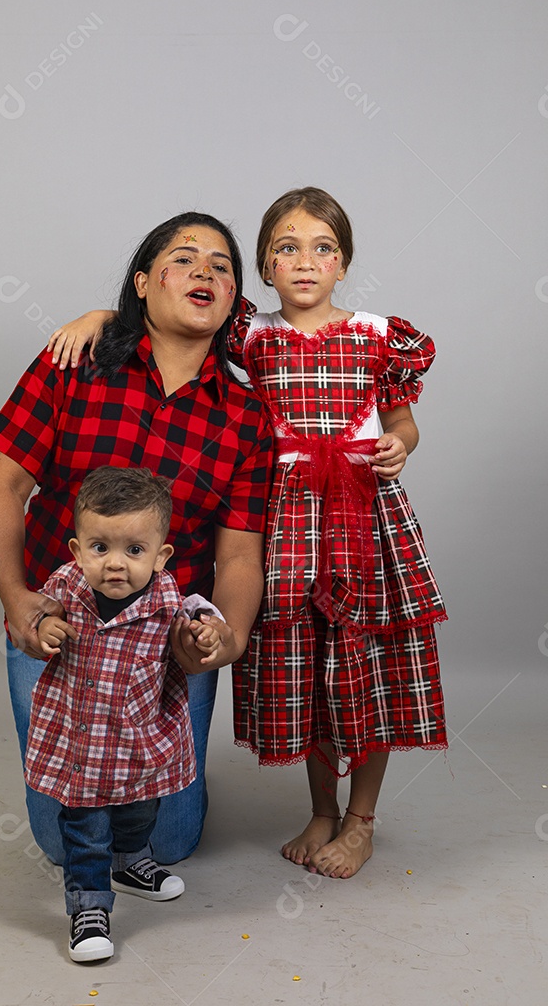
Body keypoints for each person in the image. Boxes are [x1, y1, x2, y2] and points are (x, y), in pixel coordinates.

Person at [48, 187, 447, 881]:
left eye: (323, 248)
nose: (305, 261)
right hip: (288, 521)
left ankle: (362, 820)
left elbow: (401, 419)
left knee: (365, 664)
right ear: (264, 266)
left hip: (360, 512)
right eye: (286, 248)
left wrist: (400, 444)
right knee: (312, 666)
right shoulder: (250, 335)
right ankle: (323, 808)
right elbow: (170, 318)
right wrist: (99, 314)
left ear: (344, 263)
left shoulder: (383, 337)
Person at [0, 212, 273, 869]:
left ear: (232, 298)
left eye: (222, 266)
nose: (206, 271)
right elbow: (4, 491)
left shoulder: (248, 418)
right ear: (143, 283)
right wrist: (17, 598)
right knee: (61, 847)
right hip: (57, 630)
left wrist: (229, 633)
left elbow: (239, 553)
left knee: (168, 844)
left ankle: (172, 775)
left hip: (166, 644)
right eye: (185, 258)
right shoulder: (74, 363)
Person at [27, 466, 224, 962]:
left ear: (160, 557)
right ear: (77, 551)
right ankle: (88, 907)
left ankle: (130, 861)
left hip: (138, 739)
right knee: (86, 829)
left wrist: (206, 630)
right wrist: (45, 626)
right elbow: (37, 612)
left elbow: (196, 613)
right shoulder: (67, 586)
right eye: (100, 548)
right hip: (81, 743)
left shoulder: (165, 594)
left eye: (134, 551)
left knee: (142, 810)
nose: (116, 565)